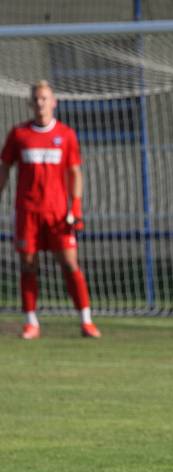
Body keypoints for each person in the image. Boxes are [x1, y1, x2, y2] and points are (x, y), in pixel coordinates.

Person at [0, 80, 101, 339]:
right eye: (36, 99)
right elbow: (4, 169)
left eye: (45, 98)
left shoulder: (66, 135)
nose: (40, 103)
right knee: (28, 264)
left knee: (69, 263)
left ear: (54, 102)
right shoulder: (19, 135)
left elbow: (75, 172)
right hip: (27, 212)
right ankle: (31, 322)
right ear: (30, 103)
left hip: (57, 213)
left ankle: (86, 320)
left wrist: (75, 208)